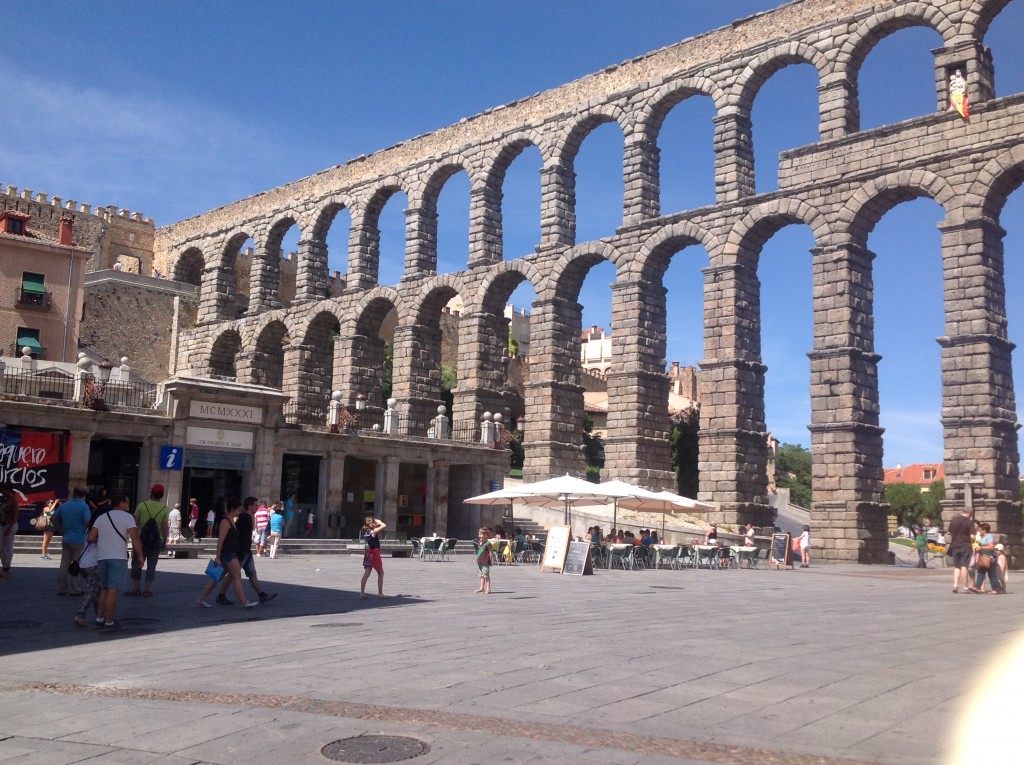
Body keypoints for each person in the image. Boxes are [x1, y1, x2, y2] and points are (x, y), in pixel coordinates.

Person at [89, 493, 142, 631]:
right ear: (122, 502)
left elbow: (91, 537)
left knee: (104, 588)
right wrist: (140, 555)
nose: (129, 505)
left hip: (102, 556)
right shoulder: (128, 517)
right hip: (118, 557)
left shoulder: (101, 517)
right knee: (113, 589)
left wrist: (102, 542)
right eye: (128, 502)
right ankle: (109, 621)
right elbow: (135, 538)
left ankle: (99, 618)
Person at [198, 498, 257, 609]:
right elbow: (221, 540)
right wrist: (217, 557)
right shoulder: (225, 522)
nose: (240, 512)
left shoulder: (232, 521)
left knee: (216, 577)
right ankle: (244, 602)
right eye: (239, 510)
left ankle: (201, 599)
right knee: (236, 576)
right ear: (233, 509)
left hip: (230, 553)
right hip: (228, 554)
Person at [216, 496, 275, 605]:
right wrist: (218, 556)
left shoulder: (247, 517)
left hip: (244, 551)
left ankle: (261, 594)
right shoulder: (242, 518)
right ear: (250, 506)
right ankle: (220, 595)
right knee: (228, 575)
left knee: (250, 573)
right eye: (255, 505)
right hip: (240, 552)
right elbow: (234, 535)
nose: (257, 507)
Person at [128, 484, 169, 597]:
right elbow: (165, 527)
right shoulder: (165, 508)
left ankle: (136, 588)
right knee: (152, 565)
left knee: (137, 562)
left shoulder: (142, 505)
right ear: (162, 496)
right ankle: (147, 589)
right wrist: (165, 541)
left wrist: (133, 537)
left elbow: (134, 523)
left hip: (141, 539)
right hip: (156, 540)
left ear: (151, 493)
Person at [52, 487, 92, 595]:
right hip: (79, 539)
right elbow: (88, 521)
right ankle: (75, 588)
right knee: (77, 564)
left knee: (64, 563)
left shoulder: (65, 505)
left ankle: (61, 587)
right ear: (84, 495)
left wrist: (60, 529)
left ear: (74, 493)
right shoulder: (84, 506)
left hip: (66, 538)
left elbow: (53, 518)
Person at [947, 507, 974, 594]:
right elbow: (972, 537)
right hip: (965, 545)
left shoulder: (953, 520)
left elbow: (950, 532)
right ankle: (965, 587)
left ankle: (955, 585)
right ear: (970, 513)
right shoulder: (969, 522)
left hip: (955, 546)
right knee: (964, 566)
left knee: (957, 566)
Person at [968, 523, 1001, 594]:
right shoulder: (983, 537)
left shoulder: (989, 537)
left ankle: (996, 588)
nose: (979, 531)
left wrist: (981, 547)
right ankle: (977, 587)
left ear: (985, 530)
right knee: (981, 572)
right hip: (984, 558)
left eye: (980, 530)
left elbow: (991, 546)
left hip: (991, 558)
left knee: (991, 574)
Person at [359, 515, 387, 599]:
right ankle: (380, 593)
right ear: (370, 524)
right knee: (381, 573)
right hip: (374, 553)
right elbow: (384, 525)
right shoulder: (373, 531)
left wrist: (375, 522)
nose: (375, 523)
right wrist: (379, 522)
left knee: (366, 573)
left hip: (369, 553)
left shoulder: (366, 532)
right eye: (373, 522)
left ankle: (362, 593)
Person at [0, 482, 18, 579]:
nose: (1, 492)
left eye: (2, 490)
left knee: (8, 546)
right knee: (1, 547)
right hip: (2, 524)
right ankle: (4, 566)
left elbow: (15, 514)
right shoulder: (2, 499)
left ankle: (7, 567)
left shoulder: (13, 499)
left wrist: (9, 527)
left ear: (7, 490)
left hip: (10, 524)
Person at [475, 527, 492, 594]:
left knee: (486, 576)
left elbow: (491, 552)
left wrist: (490, 560)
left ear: (486, 535)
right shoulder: (480, 542)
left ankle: (488, 589)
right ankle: (481, 588)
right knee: (481, 575)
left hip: (485, 561)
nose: (479, 536)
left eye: (481, 534)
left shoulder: (488, 543)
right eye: (479, 534)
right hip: (480, 561)